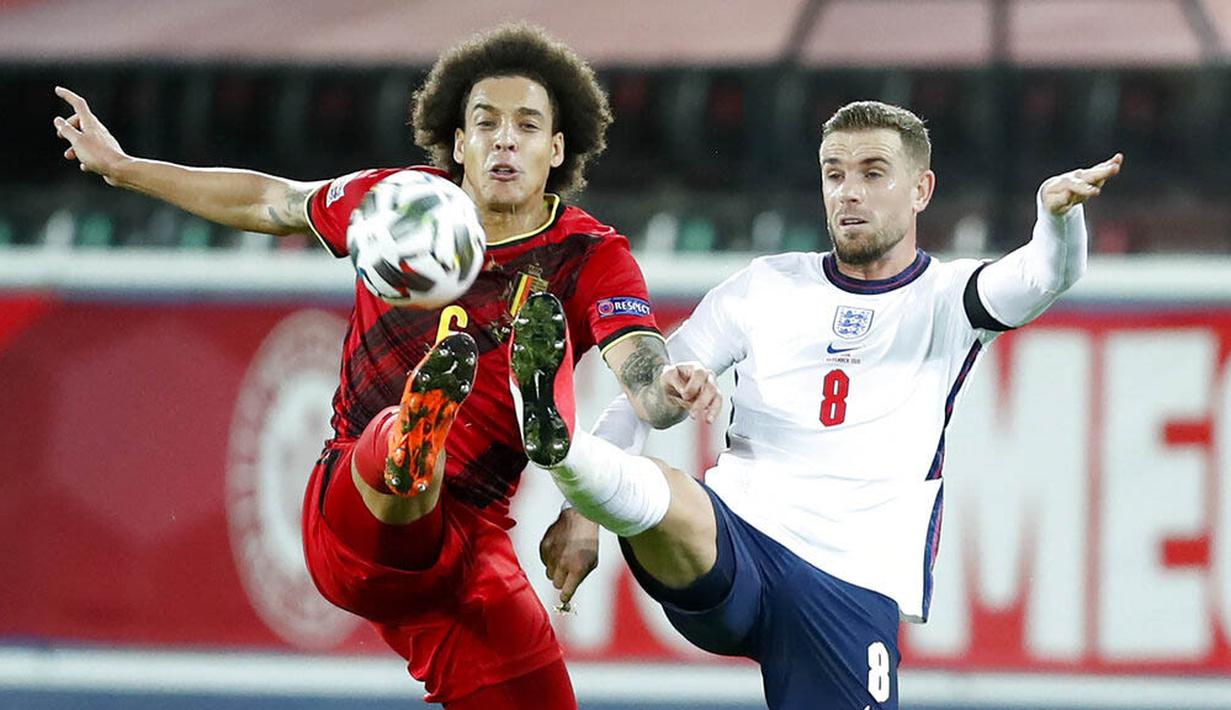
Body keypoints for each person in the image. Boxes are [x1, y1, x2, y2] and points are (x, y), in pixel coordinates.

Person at [53, 23, 718, 710]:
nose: (504, 140)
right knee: (400, 447)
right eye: (485, 123)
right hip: (353, 513)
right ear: (457, 142)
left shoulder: (588, 255)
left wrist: (668, 389)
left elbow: (642, 372)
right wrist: (123, 167)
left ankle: (423, 437)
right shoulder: (399, 205)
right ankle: (413, 438)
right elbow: (271, 201)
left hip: (468, 554)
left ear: (556, 148)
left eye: (526, 125)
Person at [510, 101, 1123, 709]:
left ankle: (582, 465)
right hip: (738, 541)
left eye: (872, 173)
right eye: (835, 174)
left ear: (921, 190)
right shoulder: (764, 285)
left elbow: (1044, 275)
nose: (848, 192)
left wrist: (1057, 217)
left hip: (847, 581)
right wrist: (581, 508)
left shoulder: (950, 297)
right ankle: (566, 451)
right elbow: (644, 399)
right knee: (661, 490)